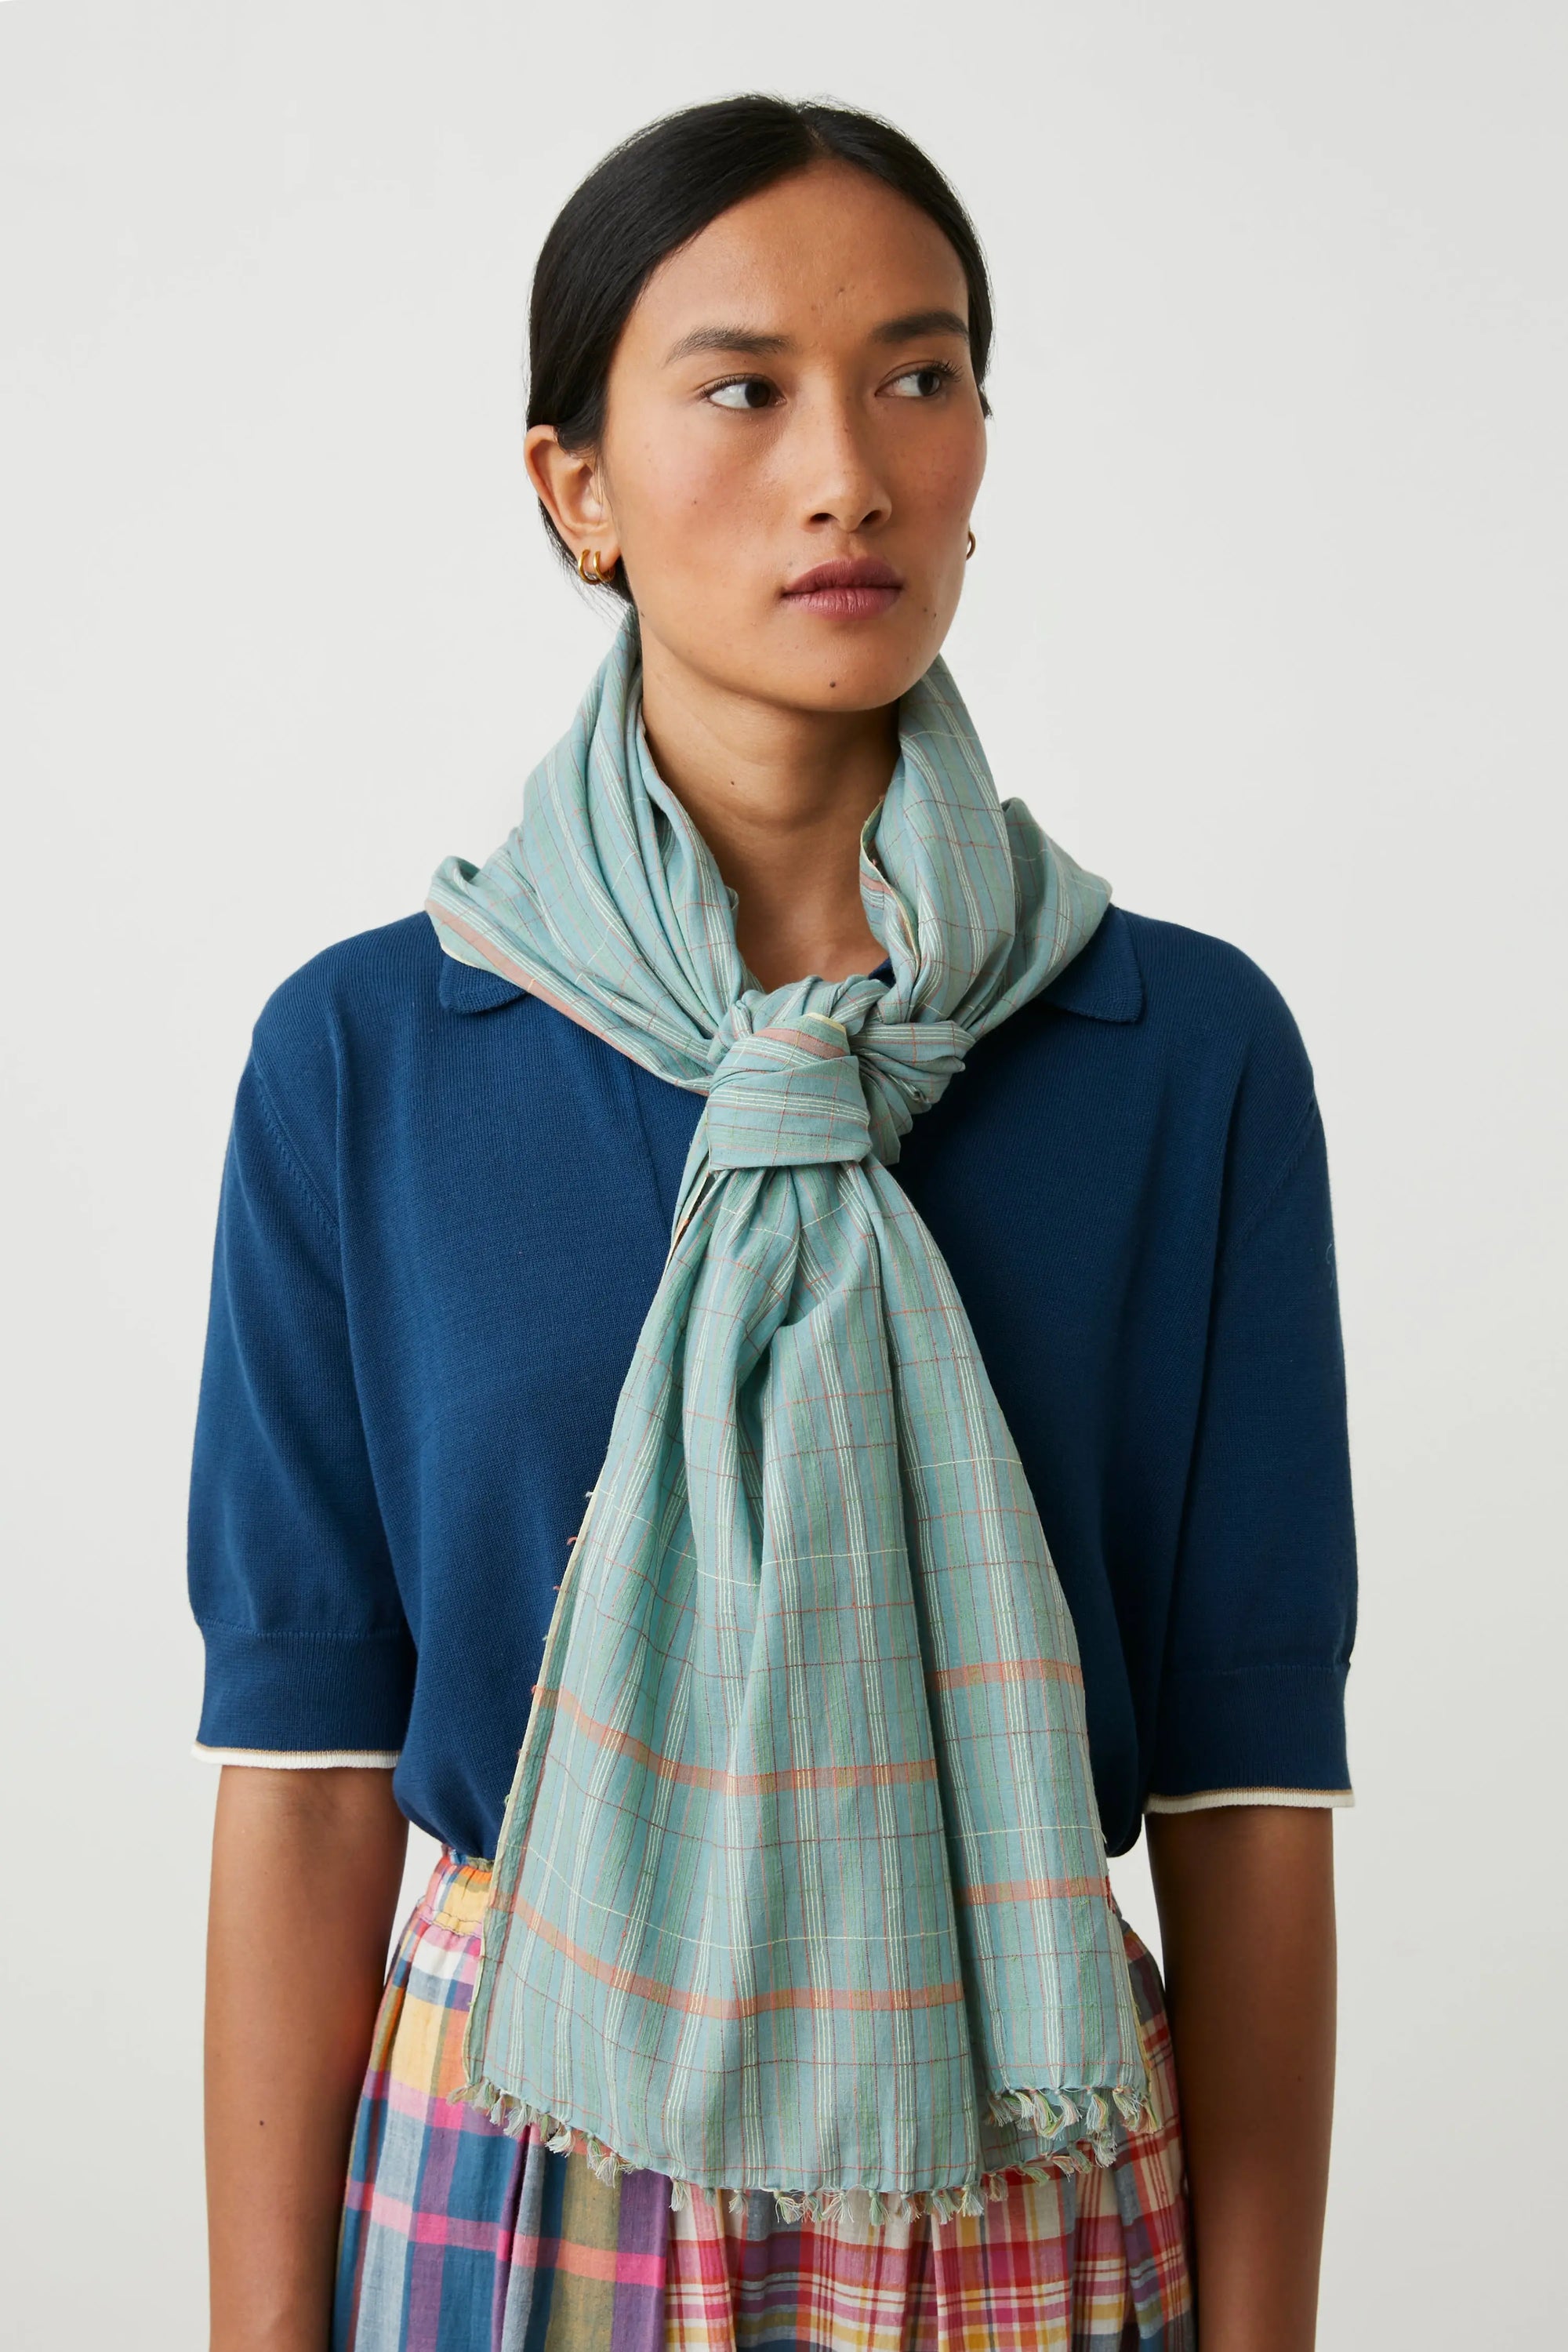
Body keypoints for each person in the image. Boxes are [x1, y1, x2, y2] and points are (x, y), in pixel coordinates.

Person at [191, 96, 1355, 2352]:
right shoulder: (369, 1057)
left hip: (1023, 2147)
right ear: (577, 490)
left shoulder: (1181, 1052)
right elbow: (312, 1779)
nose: (850, 472)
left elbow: (1249, 1790)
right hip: (519, 2151)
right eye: (744, 389)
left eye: (919, 376)